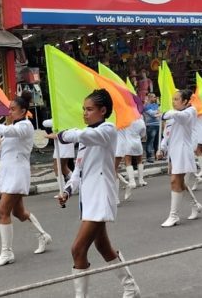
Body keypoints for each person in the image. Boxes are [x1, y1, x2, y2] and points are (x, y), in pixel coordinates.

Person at [56, 89, 140, 298]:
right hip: (88, 198)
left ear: (103, 111)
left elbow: (82, 134)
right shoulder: (87, 137)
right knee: (103, 246)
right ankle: (131, 287)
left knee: (77, 249)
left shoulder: (107, 130)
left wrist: (62, 135)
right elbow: (78, 170)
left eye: (90, 109)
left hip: (101, 197)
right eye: (84, 109)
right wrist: (67, 190)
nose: (85, 113)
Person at [0, 93, 52, 267]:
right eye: (10, 109)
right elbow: (8, 150)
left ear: (23, 110)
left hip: (17, 174)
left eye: (13, 109)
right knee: (18, 213)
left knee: (2, 211)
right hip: (7, 173)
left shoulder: (26, 126)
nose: (10, 112)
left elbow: (6, 131)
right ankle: (43, 235)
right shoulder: (11, 129)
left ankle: (7, 253)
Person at [157, 90, 202, 227]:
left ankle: (174, 215)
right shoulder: (172, 116)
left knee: (175, 182)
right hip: (173, 153)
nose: (173, 101)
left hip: (183, 151)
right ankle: (195, 204)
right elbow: (167, 135)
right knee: (180, 183)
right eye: (173, 99)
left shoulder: (191, 111)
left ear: (185, 101)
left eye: (176, 99)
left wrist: (166, 113)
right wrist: (162, 148)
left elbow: (181, 117)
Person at [116, 117, 147, 201]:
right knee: (139, 160)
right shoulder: (140, 119)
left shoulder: (124, 119)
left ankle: (132, 180)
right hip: (137, 141)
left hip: (127, 142)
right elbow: (143, 133)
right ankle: (141, 180)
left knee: (128, 162)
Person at [143, 93, 160, 163]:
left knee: (157, 141)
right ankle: (149, 157)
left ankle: (157, 155)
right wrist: (158, 112)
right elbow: (153, 115)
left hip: (158, 125)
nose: (155, 98)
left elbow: (159, 112)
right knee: (150, 141)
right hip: (151, 125)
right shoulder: (146, 106)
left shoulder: (156, 105)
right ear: (149, 98)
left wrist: (158, 112)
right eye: (154, 97)